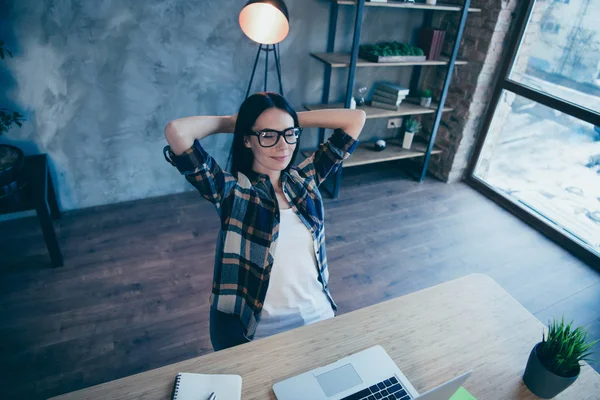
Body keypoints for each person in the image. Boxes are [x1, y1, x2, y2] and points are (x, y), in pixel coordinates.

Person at [163, 92, 365, 350]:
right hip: (258, 331)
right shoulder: (233, 193)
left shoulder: (305, 180)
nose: (283, 147)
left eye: (289, 134)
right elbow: (177, 131)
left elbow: (355, 119)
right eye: (267, 136)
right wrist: (237, 122)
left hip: (319, 315)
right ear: (246, 140)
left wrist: (286, 119)